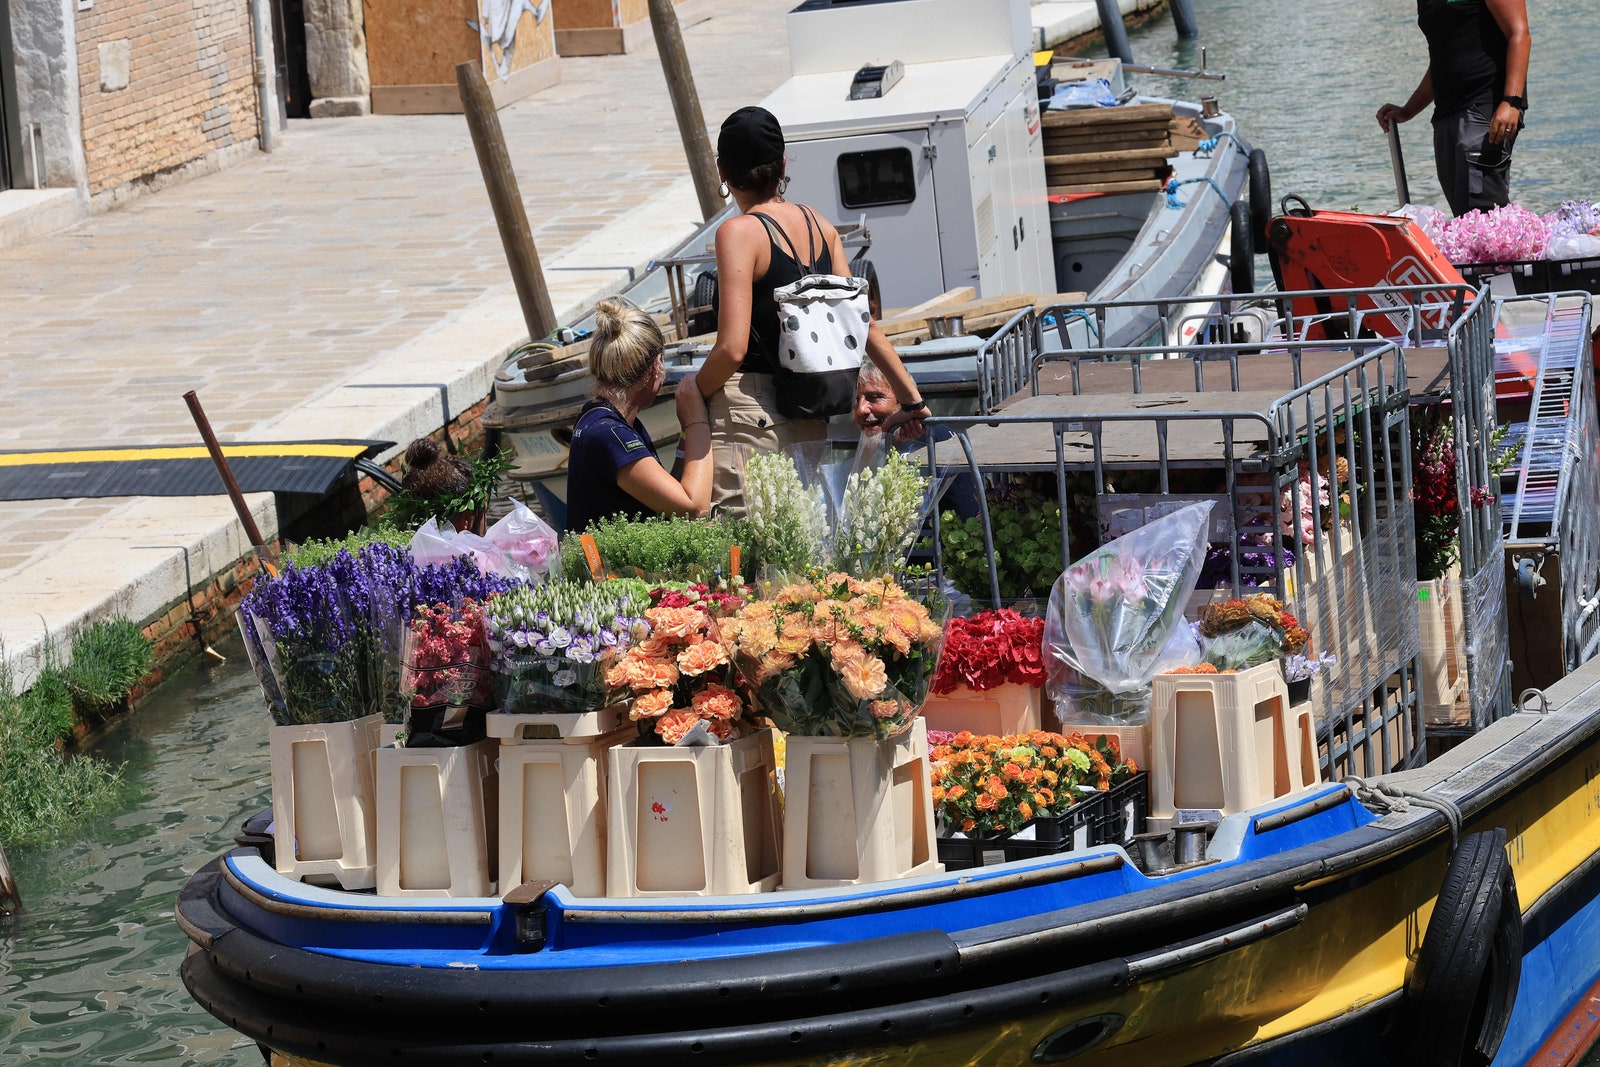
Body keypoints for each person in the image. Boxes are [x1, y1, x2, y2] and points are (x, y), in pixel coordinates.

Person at [693, 105, 930, 514]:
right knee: (798, 549)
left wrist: (693, 392)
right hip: (809, 413)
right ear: (783, 163)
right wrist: (912, 400)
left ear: (722, 171)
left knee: (746, 550)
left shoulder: (738, 233)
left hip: (751, 413)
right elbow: (863, 324)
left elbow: (732, 349)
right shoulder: (821, 227)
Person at [564, 300, 713, 535]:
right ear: (657, 366)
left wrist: (685, 434)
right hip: (610, 571)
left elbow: (668, 500)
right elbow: (694, 508)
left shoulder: (600, 417)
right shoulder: (610, 435)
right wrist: (697, 422)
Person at [1376, 0, 1531, 216]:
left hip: (1485, 107)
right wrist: (1408, 110)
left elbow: (1519, 33)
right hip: (1446, 113)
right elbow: (1444, 58)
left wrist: (1512, 102)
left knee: (1482, 210)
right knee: (1463, 213)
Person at [852, 363, 981, 521]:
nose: (861, 409)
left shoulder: (936, 440)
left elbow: (967, 514)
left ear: (904, 401)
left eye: (874, 398)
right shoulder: (876, 445)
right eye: (856, 401)